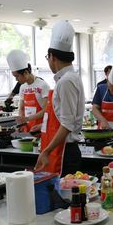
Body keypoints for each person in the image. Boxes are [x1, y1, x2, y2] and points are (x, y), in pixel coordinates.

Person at [34, 21, 84, 176]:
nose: (48, 61)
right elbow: (61, 118)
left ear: (52, 57)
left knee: (64, 197)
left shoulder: (66, 81)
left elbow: (67, 124)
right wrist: (43, 127)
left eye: (47, 57)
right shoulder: (69, 78)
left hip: (65, 153)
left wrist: (46, 151)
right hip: (62, 148)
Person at [6, 50, 49, 133]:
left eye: (17, 76)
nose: (16, 79)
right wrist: (21, 124)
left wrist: (27, 118)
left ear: (26, 73)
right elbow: (21, 108)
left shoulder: (43, 85)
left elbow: (46, 110)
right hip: (28, 127)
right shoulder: (22, 87)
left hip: (40, 127)